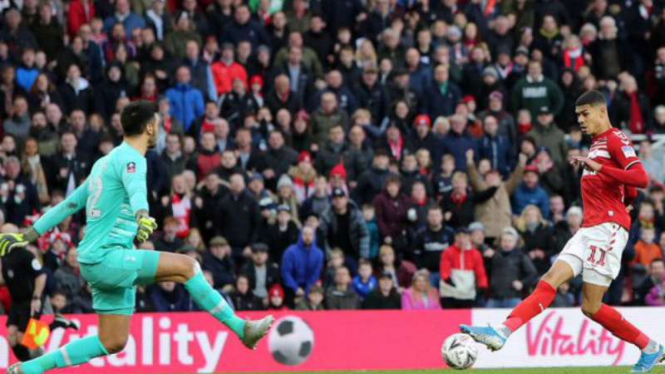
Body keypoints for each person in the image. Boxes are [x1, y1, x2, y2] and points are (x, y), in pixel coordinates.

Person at [0, 101, 273, 374]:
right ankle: (241, 328)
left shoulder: (104, 163)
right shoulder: (132, 159)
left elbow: (70, 204)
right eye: (158, 125)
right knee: (187, 267)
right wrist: (142, 215)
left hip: (94, 260)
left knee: (113, 340)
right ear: (150, 128)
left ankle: (31, 368)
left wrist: (28, 235)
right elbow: (136, 191)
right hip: (109, 257)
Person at [461, 90, 663, 373]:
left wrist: (604, 175)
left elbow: (640, 178)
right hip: (588, 229)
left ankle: (651, 348)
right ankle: (501, 333)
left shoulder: (615, 139)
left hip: (607, 230)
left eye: (585, 114)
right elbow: (628, 189)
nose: (580, 120)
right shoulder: (596, 145)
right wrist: (624, 201)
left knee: (592, 307)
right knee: (549, 280)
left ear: (602, 112)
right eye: (578, 115)